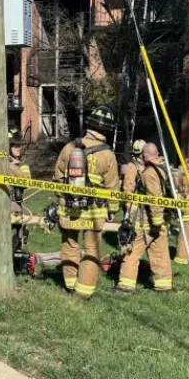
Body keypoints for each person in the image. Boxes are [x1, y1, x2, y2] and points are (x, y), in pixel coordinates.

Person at [53, 106, 120, 300]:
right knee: (92, 249)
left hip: (69, 208)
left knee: (70, 244)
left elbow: (58, 177)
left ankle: (70, 284)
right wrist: (112, 209)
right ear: (107, 129)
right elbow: (112, 186)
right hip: (95, 211)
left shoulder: (69, 147)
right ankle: (84, 291)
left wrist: (63, 198)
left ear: (89, 124)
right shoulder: (108, 155)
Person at [116, 143, 173, 294]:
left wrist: (156, 222)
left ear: (145, 155)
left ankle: (125, 286)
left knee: (132, 251)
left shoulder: (149, 173)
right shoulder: (166, 169)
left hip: (147, 221)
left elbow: (154, 199)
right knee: (160, 254)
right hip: (163, 219)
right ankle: (163, 286)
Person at [7, 128, 31, 253]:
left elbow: (26, 181)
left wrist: (11, 166)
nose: (19, 148)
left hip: (15, 205)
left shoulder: (22, 166)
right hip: (0, 205)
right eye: (15, 146)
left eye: (19, 146)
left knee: (15, 235)